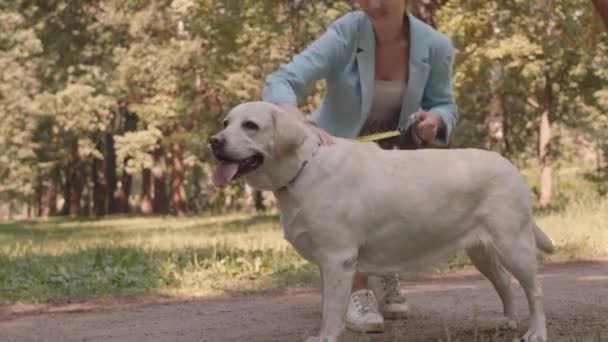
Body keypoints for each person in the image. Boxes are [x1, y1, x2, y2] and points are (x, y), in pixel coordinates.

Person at [261, 0, 458, 334]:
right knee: (343, 228)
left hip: (391, 153)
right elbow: (285, 79)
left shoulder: (435, 45)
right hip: (337, 153)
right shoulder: (346, 32)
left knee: (391, 217)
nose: (373, 4)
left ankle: (384, 275)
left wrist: (437, 119)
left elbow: (444, 102)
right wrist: (296, 120)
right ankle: (356, 292)